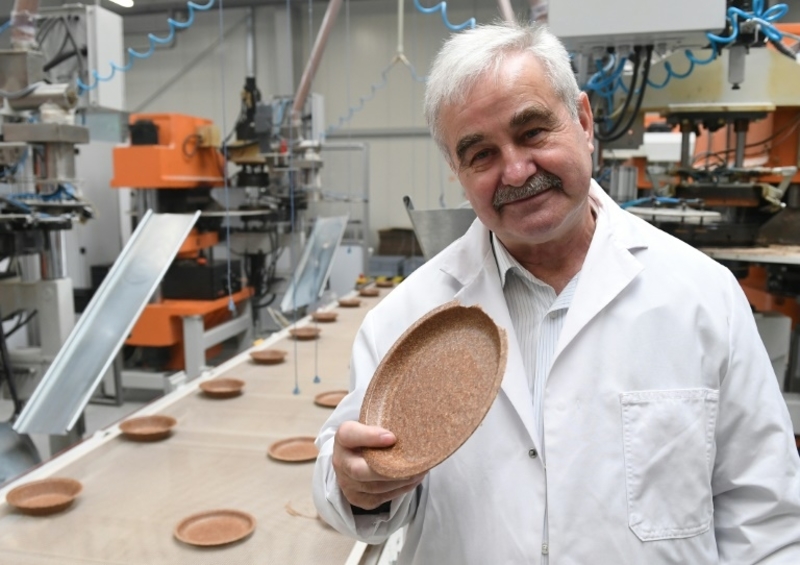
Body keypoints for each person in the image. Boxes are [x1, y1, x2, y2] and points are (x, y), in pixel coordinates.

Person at [313, 21, 800, 564]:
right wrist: (356, 485)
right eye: (480, 155)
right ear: (456, 170)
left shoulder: (703, 296)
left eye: (532, 132)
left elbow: (766, 517)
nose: (516, 170)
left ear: (583, 121)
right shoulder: (406, 319)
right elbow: (347, 481)